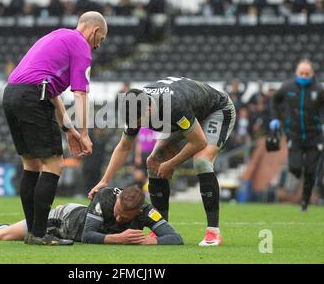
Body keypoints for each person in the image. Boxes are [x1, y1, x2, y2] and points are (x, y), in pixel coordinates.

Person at [89, 77, 236, 246]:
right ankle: (160, 228)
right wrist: (104, 181)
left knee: (201, 161)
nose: (135, 125)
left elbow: (199, 142)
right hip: (187, 117)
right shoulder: (136, 106)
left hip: (216, 111)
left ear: (149, 109)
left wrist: (171, 163)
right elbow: (123, 147)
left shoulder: (174, 106)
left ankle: (213, 232)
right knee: (153, 163)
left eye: (138, 121)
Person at [3, 11, 108, 245]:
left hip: (11, 94)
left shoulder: (57, 36)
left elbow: (53, 92)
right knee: (54, 164)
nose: (96, 47)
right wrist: (83, 133)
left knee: (31, 164)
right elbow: (80, 93)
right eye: (99, 42)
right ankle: (40, 234)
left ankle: (32, 231)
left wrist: (68, 128)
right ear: (95, 31)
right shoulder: (81, 45)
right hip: (33, 97)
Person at [0, 186, 183, 245]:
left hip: (72, 229)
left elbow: (175, 238)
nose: (118, 219)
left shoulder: (147, 211)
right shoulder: (106, 196)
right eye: (117, 213)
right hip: (64, 219)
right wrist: (118, 238)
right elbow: (88, 235)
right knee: (6, 236)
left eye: (125, 218)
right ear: (117, 202)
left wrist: (148, 242)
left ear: (137, 212)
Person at [269, 60, 324, 211]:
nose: (304, 76)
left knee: (310, 171)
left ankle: (305, 201)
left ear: (312, 74)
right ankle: (297, 179)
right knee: (295, 168)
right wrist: (275, 118)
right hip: (294, 135)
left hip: (314, 137)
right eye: (301, 73)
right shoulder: (287, 87)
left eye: (307, 74)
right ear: (296, 73)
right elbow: (275, 101)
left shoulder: (319, 89)